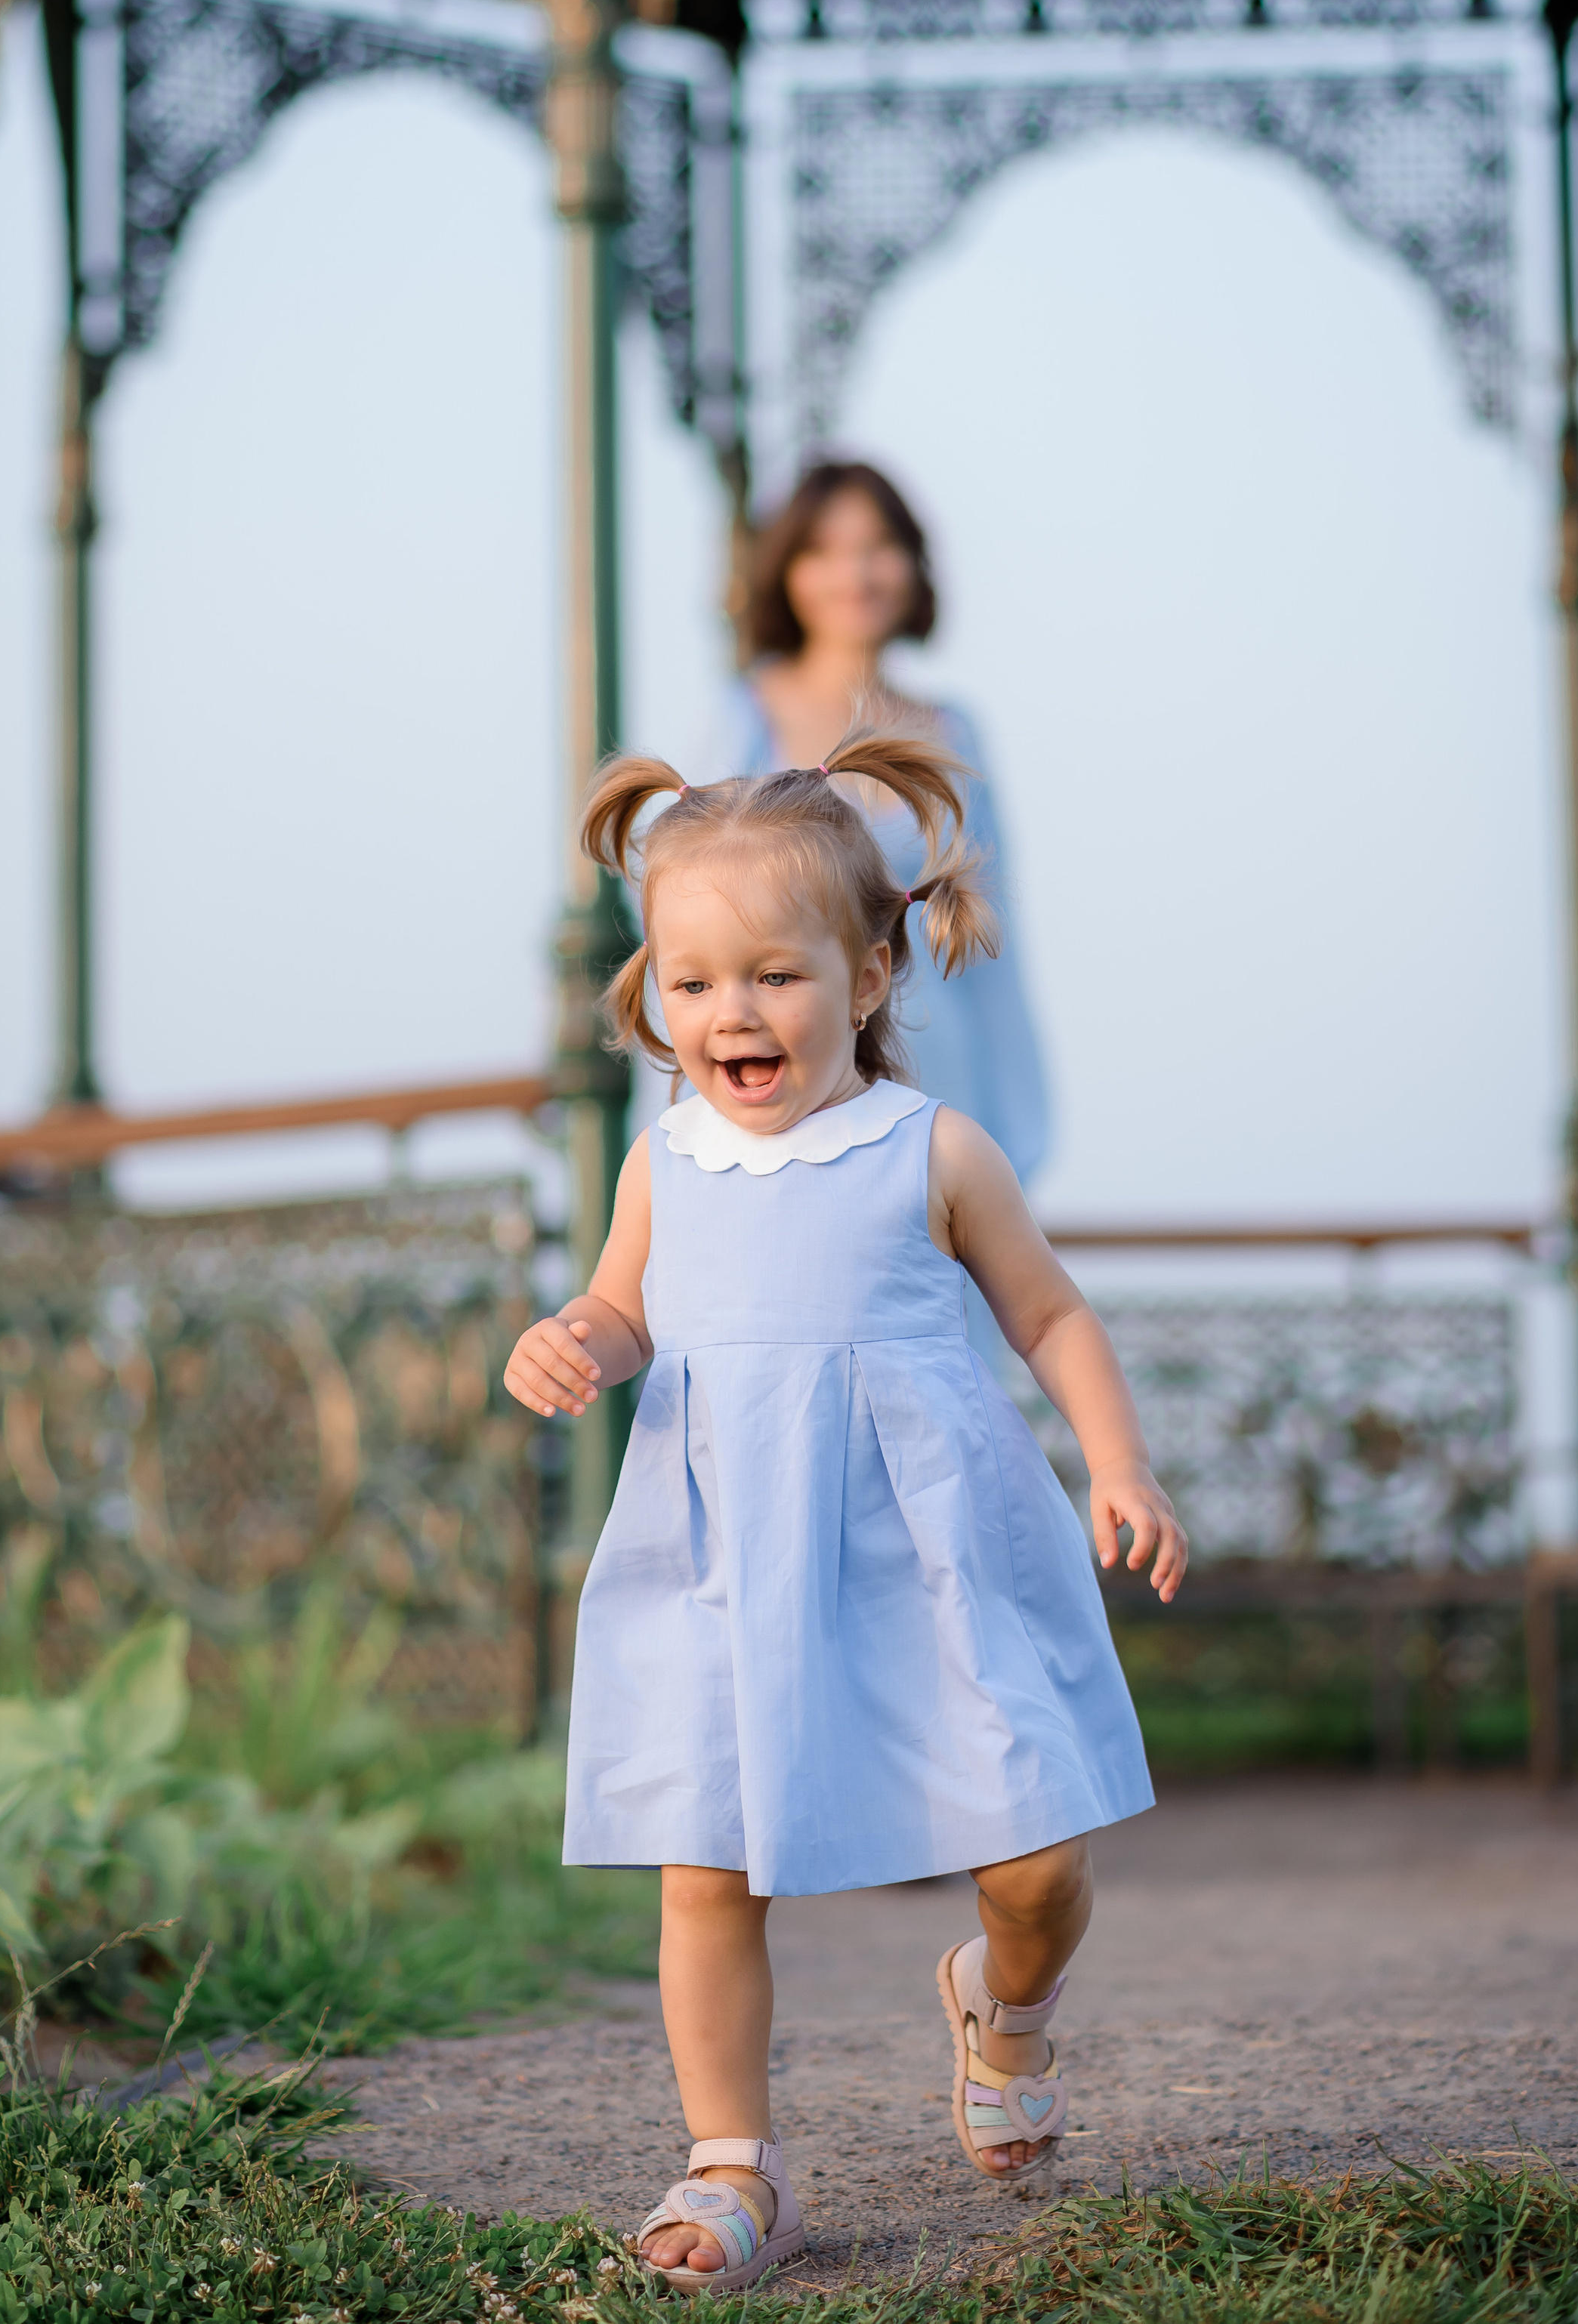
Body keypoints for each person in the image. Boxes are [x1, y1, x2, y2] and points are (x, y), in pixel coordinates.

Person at [505, 734, 1186, 2289]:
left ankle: (1002, 2008)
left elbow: (1051, 1317)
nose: (728, 1014)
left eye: (771, 975)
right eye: (689, 985)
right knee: (706, 1860)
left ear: (869, 973)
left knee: (1033, 1863)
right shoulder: (660, 1162)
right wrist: (577, 1341)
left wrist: (1118, 1463)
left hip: (926, 1556)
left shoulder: (928, 1150)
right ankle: (732, 2164)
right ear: (654, 998)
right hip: (723, 1561)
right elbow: (627, 1311)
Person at [708, 461, 1048, 1181]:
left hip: (943, 1090)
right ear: (787, 572)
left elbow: (992, 946)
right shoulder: (744, 720)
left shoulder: (956, 734)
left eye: (877, 546)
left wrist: (1018, 1134)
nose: (854, 573)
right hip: (794, 1090)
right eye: (824, 551)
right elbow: (693, 928)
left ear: (913, 564)